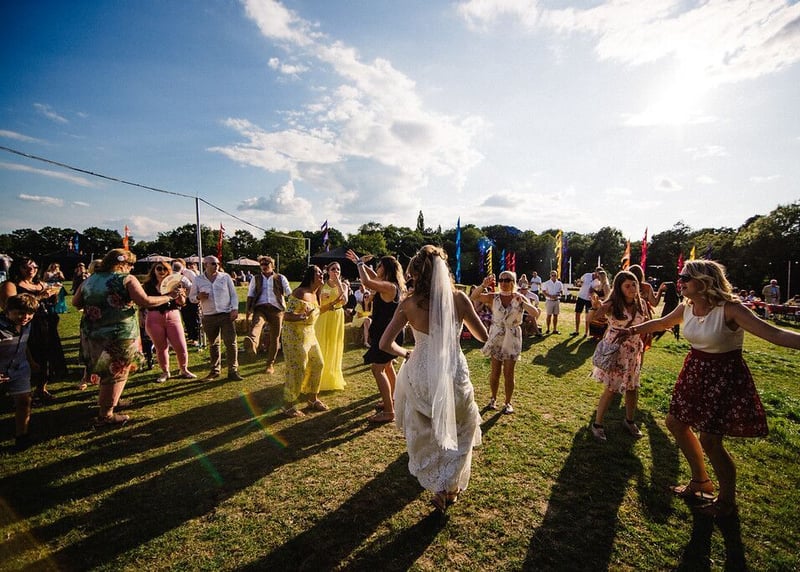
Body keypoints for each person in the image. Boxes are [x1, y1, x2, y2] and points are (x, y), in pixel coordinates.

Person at [629, 260, 800, 517]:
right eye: (680, 276)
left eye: (686, 277)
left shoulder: (730, 309)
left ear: (704, 281)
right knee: (675, 423)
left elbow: (774, 335)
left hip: (723, 377)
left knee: (710, 440)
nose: (680, 281)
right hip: (694, 371)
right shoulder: (686, 306)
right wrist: (631, 330)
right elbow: (662, 323)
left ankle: (727, 501)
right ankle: (700, 481)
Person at [379, 245, 489, 512]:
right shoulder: (459, 299)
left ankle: (441, 486)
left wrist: (407, 353)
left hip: (420, 372)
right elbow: (483, 336)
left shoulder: (408, 304)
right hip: (452, 371)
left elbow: (384, 344)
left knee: (426, 430)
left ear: (416, 274)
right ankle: (449, 486)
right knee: (462, 426)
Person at [73, 249, 180, 426]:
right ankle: (106, 415)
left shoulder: (90, 279)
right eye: (130, 264)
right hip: (118, 335)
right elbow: (144, 301)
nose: (131, 268)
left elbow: (76, 303)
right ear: (122, 264)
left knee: (104, 371)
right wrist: (168, 297)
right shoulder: (126, 279)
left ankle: (112, 401)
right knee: (115, 373)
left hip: (92, 333)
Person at [346, 249, 406, 423]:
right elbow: (372, 276)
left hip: (387, 334)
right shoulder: (391, 284)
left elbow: (366, 281)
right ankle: (392, 400)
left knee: (377, 369)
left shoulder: (388, 286)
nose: (377, 268)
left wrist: (359, 264)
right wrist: (360, 263)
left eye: (379, 266)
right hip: (390, 332)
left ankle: (389, 412)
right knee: (387, 367)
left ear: (386, 269)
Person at [589, 270, 649, 441]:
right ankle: (597, 425)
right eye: (627, 286)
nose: (632, 288)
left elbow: (644, 323)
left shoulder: (641, 304)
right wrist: (595, 306)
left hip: (634, 351)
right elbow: (593, 318)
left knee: (633, 387)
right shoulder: (613, 304)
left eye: (634, 284)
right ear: (619, 288)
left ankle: (629, 421)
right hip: (616, 351)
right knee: (611, 388)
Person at [470, 270, 540, 414]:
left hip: (512, 337)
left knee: (509, 373)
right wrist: (483, 285)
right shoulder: (494, 297)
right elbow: (473, 296)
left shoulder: (519, 297)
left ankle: (508, 403)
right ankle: (493, 399)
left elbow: (535, 313)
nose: (503, 283)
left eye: (507, 280)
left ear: (513, 282)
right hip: (496, 336)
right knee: (495, 371)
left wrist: (522, 303)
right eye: (501, 280)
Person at [0, 257, 66, 404]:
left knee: (46, 356)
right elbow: (11, 306)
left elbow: (50, 303)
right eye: (26, 267)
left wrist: (53, 295)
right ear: (17, 268)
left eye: (34, 267)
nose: (31, 270)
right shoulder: (10, 284)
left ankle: (41, 389)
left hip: (46, 323)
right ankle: (20, 392)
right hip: (26, 325)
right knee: (29, 356)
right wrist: (40, 297)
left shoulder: (40, 283)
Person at [280, 265, 328, 417]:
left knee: (318, 364)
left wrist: (332, 305)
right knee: (297, 368)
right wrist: (302, 316)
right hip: (294, 336)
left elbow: (316, 311)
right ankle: (289, 405)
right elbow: (287, 315)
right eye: (318, 272)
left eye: (322, 272)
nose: (322, 274)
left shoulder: (317, 293)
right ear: (310, 276)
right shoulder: (300, 292)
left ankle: (312, 399)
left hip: (309, 334)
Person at [189, 256, 242, 381]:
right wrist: (198, 297)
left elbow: (233, 295)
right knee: (213, 344)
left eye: (217, 263)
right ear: (205, 265)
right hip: (209, 316)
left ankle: (233, 371)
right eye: (213, 263)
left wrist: (234, 309)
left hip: (226, 314)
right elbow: (191, 298)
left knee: (231, 342)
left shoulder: (225, 277)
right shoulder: (198, 279)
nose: (216, 266)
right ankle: (214, 371)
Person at [141, 262, 195, 382]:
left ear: (169, 270)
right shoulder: (148, 285)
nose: (162, 271)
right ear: (154, 270)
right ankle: (165, 372)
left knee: (181, 345)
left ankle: (184, 369)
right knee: (161, 347)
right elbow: (143, 302)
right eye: (159, 268)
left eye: (165, 269)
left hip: (172, 315)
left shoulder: (174, 283)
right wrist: (141, 316)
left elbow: (182, 303)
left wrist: (180, 294)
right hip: (154, 317)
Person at [0, 294, 39, 451]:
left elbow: (24, 344)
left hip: (19, 369)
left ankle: (22, 435)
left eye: (30, 313)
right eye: (20, 313)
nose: (25, 317)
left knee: (24, 401)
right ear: (8, 311)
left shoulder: (26, 325)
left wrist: (31, 361)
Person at [244, 256, 291, 374]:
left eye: (266, 264)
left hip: (277, 309)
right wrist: (248, 309)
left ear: (272, 265)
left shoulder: (280, 278)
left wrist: (294, 300)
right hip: (260, 307)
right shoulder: (256, 278)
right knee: (257, 324)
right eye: (261, 264)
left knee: (275, 337)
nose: (264, 266)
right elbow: (250, 294)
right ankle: (252, 344)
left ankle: (270, 364)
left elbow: (288, 291)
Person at [311, 262, 348, 391]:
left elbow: (345, 301)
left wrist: (338, 284)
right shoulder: (322, 285)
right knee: (321, 343)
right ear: (328, 271)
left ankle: (331, 376)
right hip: (324, 316)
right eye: (333, 269)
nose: (336, 271)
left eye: (338, 269)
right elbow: (316, 301)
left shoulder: (344, 285)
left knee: (334, 344)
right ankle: (317, 376)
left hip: (337, 316)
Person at [172, 258, 201, 346]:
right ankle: (190, 336)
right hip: (181, 299)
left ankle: (195, 337)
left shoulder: (189, 273)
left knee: (192, 318)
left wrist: (186, 289)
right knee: (186, 318)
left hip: (190, 298)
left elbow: (195, 285)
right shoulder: (177, 276)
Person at [573, 268, 599, 336]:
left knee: (588, 316)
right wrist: (578, 283)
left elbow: (597, 291)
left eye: (599, 274)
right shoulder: (587, 275)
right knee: (577, 313)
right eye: (597, 273)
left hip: (589, 300)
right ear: (595, 271)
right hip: (581, 297)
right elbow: (580, 282)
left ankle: (586, 333)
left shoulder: (598, 281)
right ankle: (576, 331)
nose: (598, 275)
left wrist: (593, 290)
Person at [540, 270, 564, 334]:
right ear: (550, 276)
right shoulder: (546, 283)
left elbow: (561, 291)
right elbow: (543, 292)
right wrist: (550, 296)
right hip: (549, 301)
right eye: (552, 275)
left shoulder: (559, 283)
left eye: (555, 275)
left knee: (556, 315)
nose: (554, 276)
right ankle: (548, 329)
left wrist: (558, 295)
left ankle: (555, 329)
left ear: (557, 276)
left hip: (556, 301)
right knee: (549, 315)